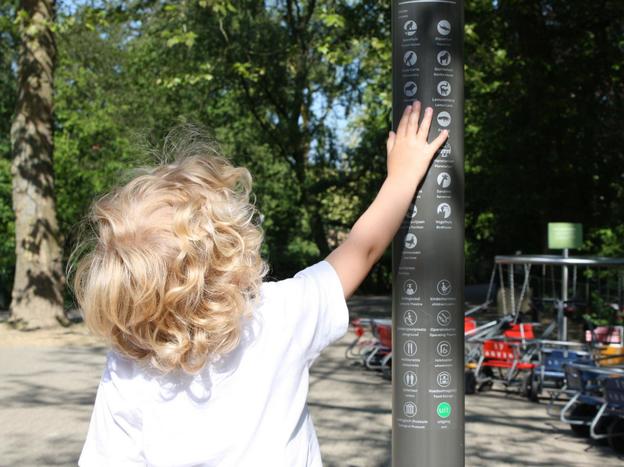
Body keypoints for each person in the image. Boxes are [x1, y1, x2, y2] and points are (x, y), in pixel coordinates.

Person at [74, 101, 448, 466]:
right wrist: (402, 177)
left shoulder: (128, 364)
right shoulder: (273, 317)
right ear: (232, 252)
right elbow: (361, 249)